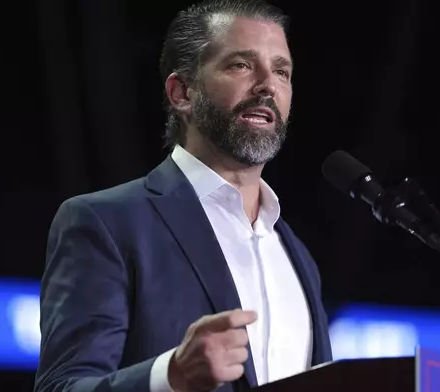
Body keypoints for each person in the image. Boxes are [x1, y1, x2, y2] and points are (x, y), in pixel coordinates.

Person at [34, 0, 333, 391]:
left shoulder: (297, 255)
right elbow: (61, 386)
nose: (267, 85)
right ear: (182, 93)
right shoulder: (106, 223)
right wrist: (170, 376)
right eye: (241, 65)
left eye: (281, 71)